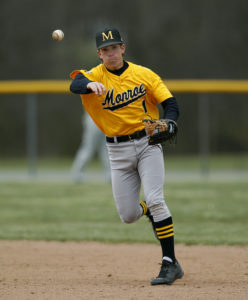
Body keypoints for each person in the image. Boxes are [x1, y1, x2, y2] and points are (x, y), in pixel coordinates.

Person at [69, 27, 184, 285]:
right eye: (105, 49)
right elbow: (74, 84)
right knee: (129, 215)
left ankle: (169, 263)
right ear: (99, 54)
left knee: (156, 199)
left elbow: (171, 104)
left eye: (115, 47)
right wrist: (89, 83)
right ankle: (150, 210)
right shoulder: (92, 75)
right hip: (116, 151)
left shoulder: (144, 74)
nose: (111, 53)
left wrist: (171, 122)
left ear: (123, 48)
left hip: (147, 143)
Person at [71, 112, 111, 183]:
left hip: (107, 118)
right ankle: (77, 174)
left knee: (107, 148)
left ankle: (110, 175)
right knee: (88, 148)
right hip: (94, 117)